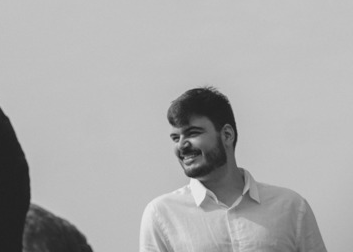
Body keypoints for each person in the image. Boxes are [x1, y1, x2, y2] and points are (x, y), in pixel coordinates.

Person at [139, 86, 326, 252]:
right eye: (175, 138)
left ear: (227, 135)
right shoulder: (162, 214)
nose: (181, 145)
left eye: (193, 133)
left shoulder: (291, 207)